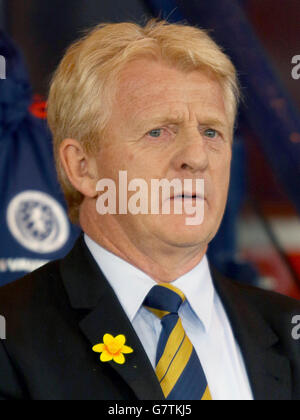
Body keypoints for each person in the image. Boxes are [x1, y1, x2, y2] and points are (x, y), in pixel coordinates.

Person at [0, 20, 299, 401]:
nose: (196, 157)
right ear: (82, 167)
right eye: (159, 131)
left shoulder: (289, 330)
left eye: (211, 132)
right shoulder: (12, 340)